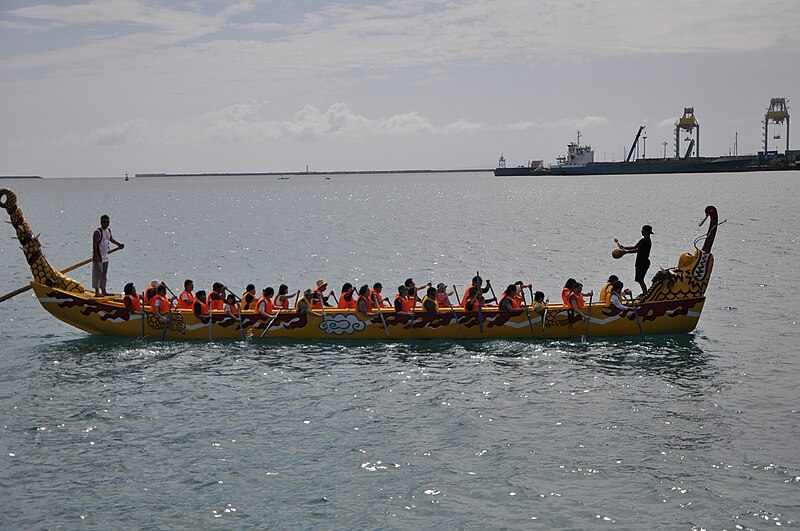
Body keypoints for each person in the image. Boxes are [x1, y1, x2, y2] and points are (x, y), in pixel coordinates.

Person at [91, 214, 124, 297]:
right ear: (101, 222)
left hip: (105, 256)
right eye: (104, 222)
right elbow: (94, 244)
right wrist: (95, 255)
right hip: (98, 256)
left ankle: (104, 291)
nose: (106, 223)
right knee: (97, 274)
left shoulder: (108, 230)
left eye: (107, 222)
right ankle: (97, 292)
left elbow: (111, 239)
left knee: (104, 275)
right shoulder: (97, 232)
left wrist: (118, 244)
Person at [616, 224, 654, 294]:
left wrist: (625, 252)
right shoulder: (642, 240)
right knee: (639, 280)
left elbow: (637, 250)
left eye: (643, 230)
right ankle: (645, 293)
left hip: (643, 262)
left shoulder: (646, 241)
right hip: (640, 262)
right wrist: (624, 247)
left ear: (647, 232)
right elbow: (634, 247)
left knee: (640, 280)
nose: (641, 231)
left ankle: (645, 294)